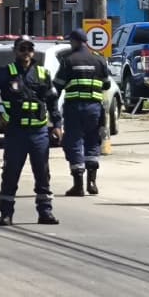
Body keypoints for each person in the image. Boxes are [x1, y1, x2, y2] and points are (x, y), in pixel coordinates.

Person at [0, 37, 61, 227]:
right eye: (22, 48)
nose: (26, 52)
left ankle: (45, 212)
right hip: (16, 132)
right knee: (11, 173)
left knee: (42, 173)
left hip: (39, 132)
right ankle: (6, 213)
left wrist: (57, 124)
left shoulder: (42, 74)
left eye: (29, 48)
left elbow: (52, 101)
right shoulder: (6, 73)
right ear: (15, 51)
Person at [53, 29, 112, 197]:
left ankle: (78, 185)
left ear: (75, 41)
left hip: (74, 108)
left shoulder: (68, 60)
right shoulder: (99, 60)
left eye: (70, 41)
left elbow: (57, 85)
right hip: (94, 109)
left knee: (73, 142)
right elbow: (107, 85)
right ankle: (92, 183)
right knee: (93, 141)